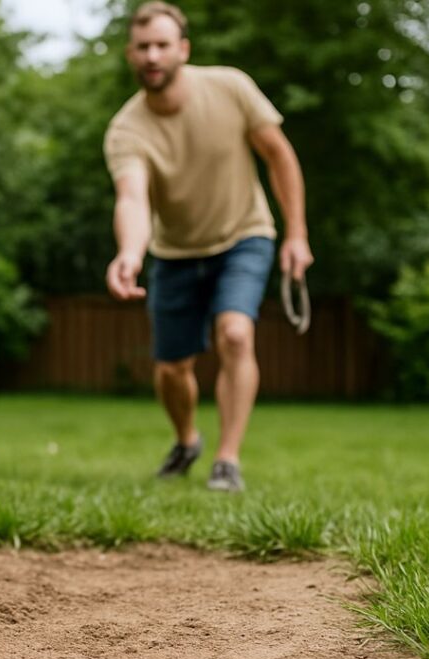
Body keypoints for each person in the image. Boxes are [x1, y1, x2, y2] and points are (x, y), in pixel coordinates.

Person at [103, 1, 313, 492]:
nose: (153, 55)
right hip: (175, 252)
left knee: (236, 334)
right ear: (131, 55)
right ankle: (188, 439)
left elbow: (280, 156)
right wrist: (131, 254)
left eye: (162, 45)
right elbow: (132, 197)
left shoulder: (230, 87)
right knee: (173, 369)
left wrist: (297, 233)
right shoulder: (126, 129)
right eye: (143, 47)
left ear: (183, 49)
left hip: (244, 234)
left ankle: (227, 460)